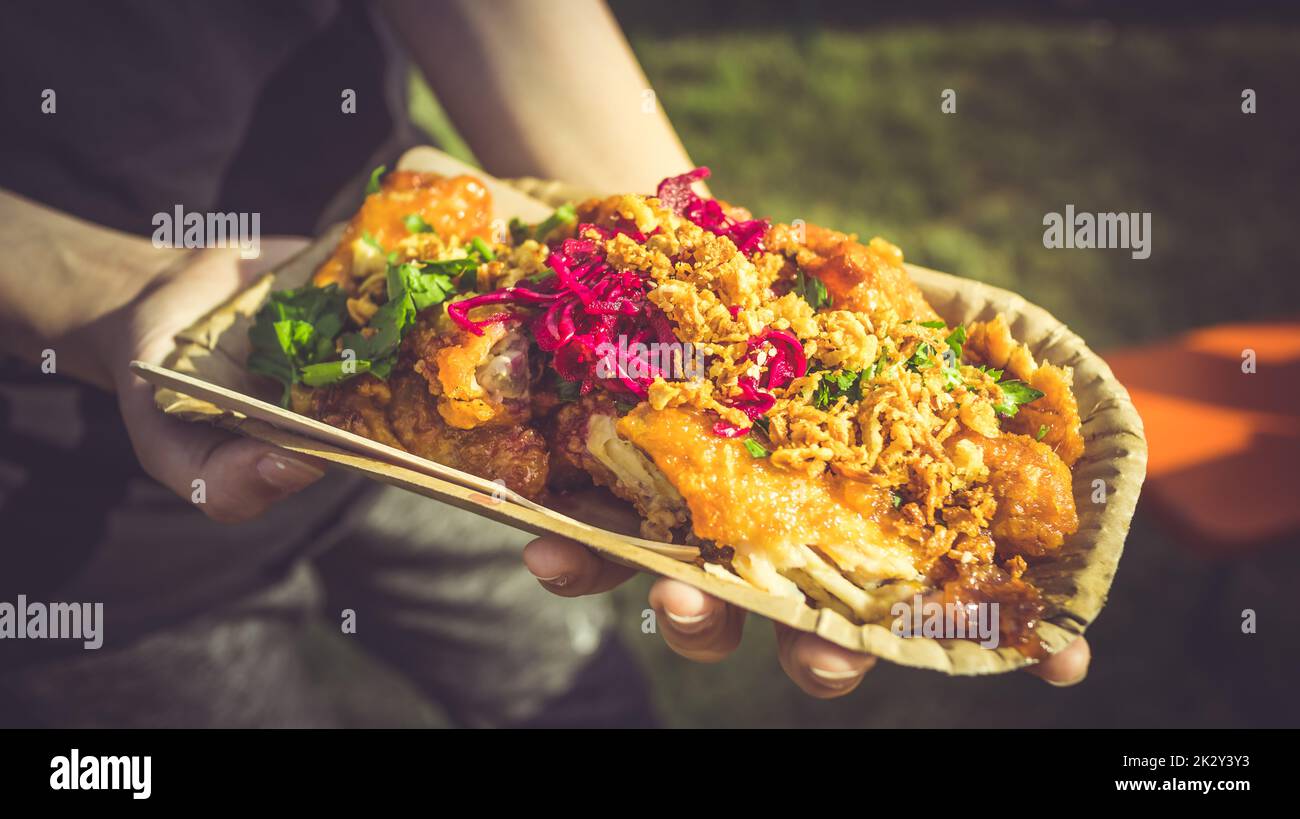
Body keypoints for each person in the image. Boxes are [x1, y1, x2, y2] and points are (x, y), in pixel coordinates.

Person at [0, 0, 1088, 727]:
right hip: (72, 538)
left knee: (579, 700)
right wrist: (101, 300)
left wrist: (696, 255)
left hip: (457, 451)